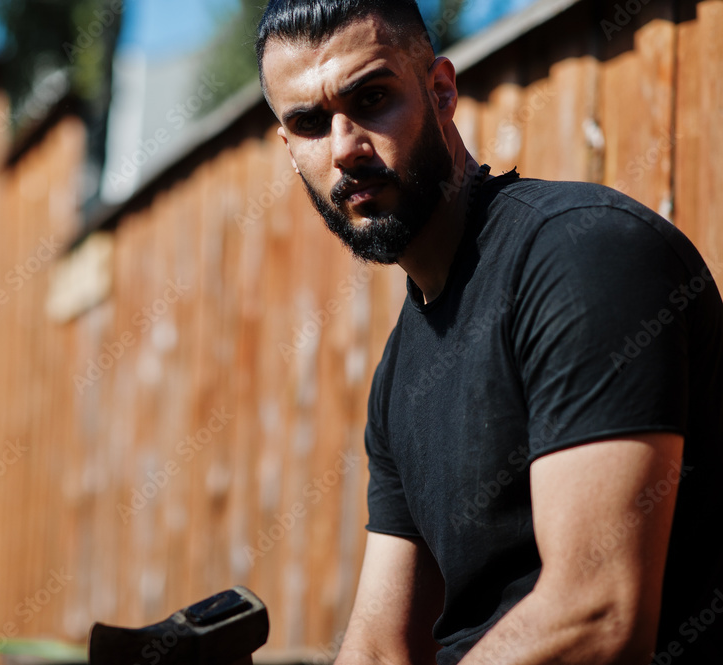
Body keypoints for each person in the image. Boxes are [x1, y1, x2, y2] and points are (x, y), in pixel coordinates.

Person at [254, 1, 723, 664]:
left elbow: (596, 615)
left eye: (373, 98)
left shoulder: (581, 256)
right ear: (288, 146)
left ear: (441, 91)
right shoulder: (402, 368)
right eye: (309, 123)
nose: (344, 148)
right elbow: (381, 648)